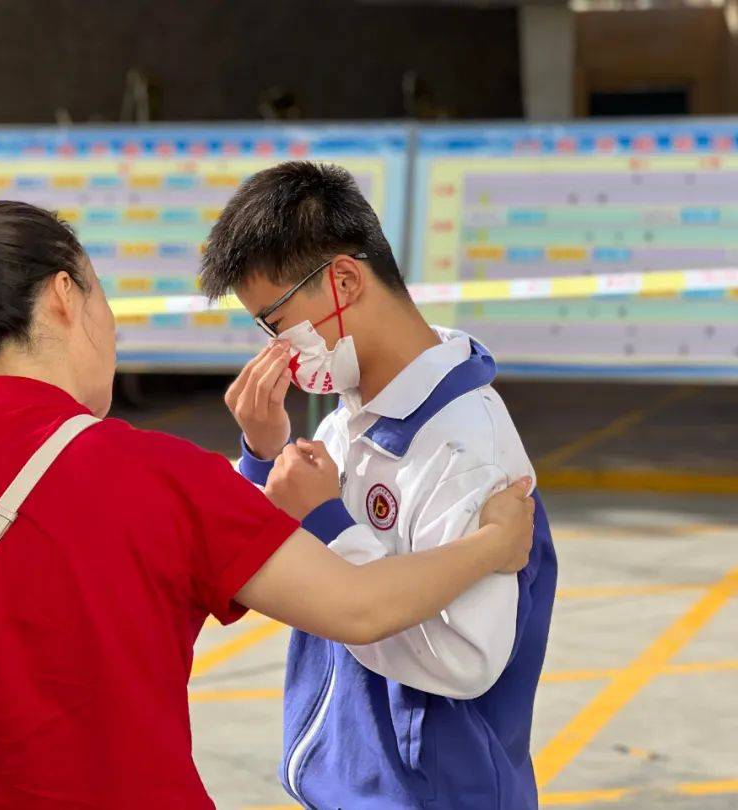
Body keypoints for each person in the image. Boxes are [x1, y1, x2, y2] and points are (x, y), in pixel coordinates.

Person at [0, 187, 536, 809]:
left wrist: (261, 454)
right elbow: (356, 606)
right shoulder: (154, 474)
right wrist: (490, 546)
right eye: (102, 295)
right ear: (65, 297)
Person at [200, 161, 558, 810]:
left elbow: (466, 660)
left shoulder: (464, 448)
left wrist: (334, 526)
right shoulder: (350, 419)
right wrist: (262, 453)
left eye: (276, 323)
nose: (274, 350)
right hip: (350, 788)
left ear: (343, 280)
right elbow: (275, 576)